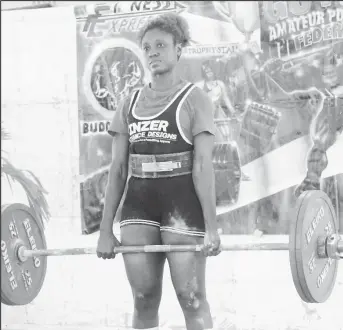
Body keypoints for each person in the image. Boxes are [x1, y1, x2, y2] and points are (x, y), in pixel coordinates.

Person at [96, 13, 221, 330]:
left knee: (191, 299)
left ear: (179, 49)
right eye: (148, 47)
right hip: (138, 207)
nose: (152, 52)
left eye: (161, 45)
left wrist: (212, 227)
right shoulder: (128, 103)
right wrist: (105, 230)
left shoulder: (195, 99)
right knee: (143, 298)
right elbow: (119, 169)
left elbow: (203, 166)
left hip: (183, 208)